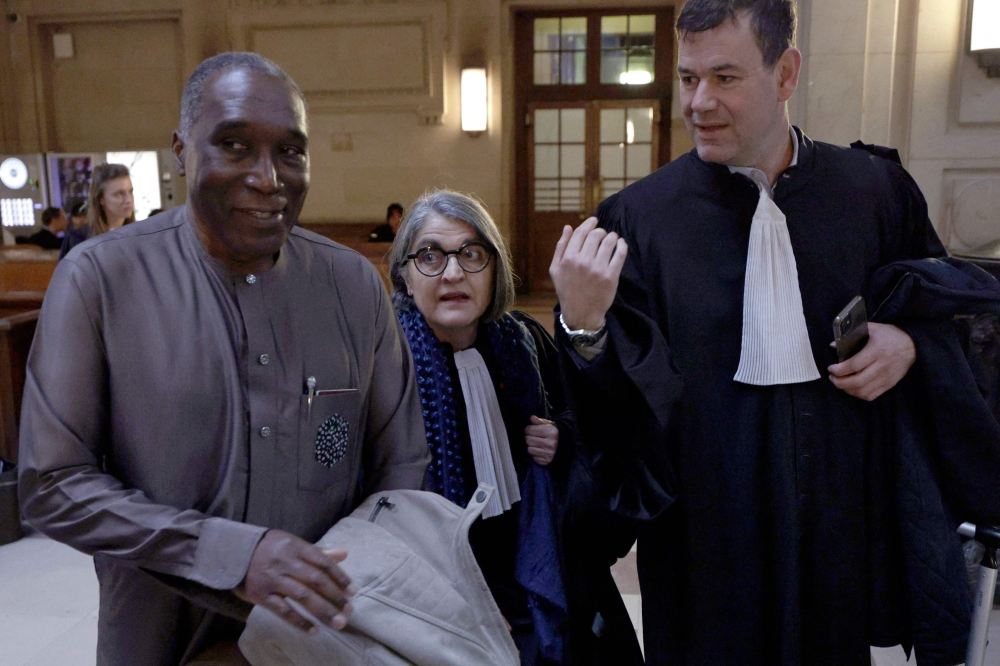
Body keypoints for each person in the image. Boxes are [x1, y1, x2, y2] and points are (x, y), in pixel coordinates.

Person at [549, 1, 974, 665]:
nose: (699, 102)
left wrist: (913, 344)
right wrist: (583, 327)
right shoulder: (638, 220)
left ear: (786, 73)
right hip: (704, 531)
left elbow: (952, 311)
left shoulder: (875, 194)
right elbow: (620, 419)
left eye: (725, 78)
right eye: (688, 78)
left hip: (838, 514)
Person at [19, 52, 429, 665]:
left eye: (290, 152)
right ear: (182, 151)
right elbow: (52, 484)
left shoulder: (351, 285)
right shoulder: (101, 279)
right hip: (158, 635)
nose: (268, 178)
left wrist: (343, 590)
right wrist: (229, 556)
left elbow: (403, 465)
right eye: (234, 145)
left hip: (323, 638)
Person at [388, 190, 643, 666]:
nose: (453, 273)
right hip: (436, 594)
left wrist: (562, 436)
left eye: (471, 254)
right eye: (430, 256)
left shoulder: (523, 342)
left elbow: (595, 422)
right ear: (405, 274)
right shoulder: (386, 367)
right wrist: (466, 606)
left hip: (537, 569)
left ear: (494, 269)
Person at [59, 163, 135, 259]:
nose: (128, 200)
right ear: (101, 199)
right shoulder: (79, 238)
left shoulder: (139, 235)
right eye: (119, 194)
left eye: (130, 192)